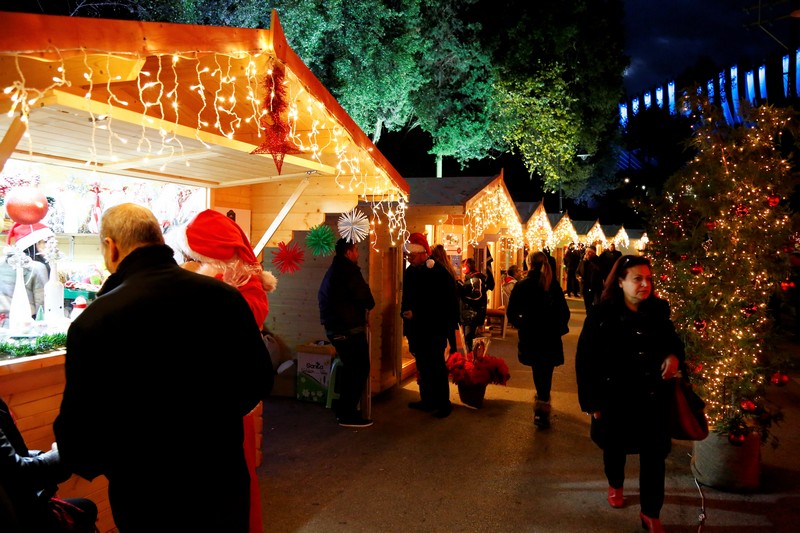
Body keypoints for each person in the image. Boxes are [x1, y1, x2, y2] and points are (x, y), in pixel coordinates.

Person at [53, 203, 272, 533]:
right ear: (160, 240)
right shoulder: (224, 297)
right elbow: (258, 380)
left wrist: (117, 458)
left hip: (146, 494)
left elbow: (79, 437)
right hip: (220, 478)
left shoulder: (95, 320)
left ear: (111, 247)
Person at [169, 208, 277, 533]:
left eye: (192, 256)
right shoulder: (229, 288)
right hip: (207, 410)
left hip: (223, 409)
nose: (186, 261)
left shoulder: (237, 294)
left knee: (227, 491)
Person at [575, 255, 684, 533]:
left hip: (652, 398)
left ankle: (651, 513)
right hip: (615, 399)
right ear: (621, 281)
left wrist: (673, 356)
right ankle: (616, 483)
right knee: (614, 449)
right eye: (637, 279)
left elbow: (673, 340)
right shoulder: (601, 315)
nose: (645, 284)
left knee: (654, 457)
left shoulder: (658, 310)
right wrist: (592, 402)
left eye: (648, 279)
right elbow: (585, 359)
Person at [1, 396, 98, 533]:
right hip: (16, 513)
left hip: (20, 501)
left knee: (86, 507)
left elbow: (13, 455)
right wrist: (62, 454)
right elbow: (16, 473)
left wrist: (47, 454)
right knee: (85, 510)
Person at [505, 251, 570, 429]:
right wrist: (557, 328)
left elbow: (511, 313)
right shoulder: (552, 285)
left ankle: (542, 405)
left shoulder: (522, 285)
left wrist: (523, 324)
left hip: (531, 336)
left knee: (537, 368)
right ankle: (543, 402)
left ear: (529, 264)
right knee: (545, 370)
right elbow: (564, 313)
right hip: (549, 337)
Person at [318, 238, 376, 428]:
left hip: (336, 327)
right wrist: (366, 307)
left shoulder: (333, 271)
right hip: (347, 329)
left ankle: (344, 409)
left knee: (352, 368)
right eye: (357, 250)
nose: (358, 254)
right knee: (358, 368)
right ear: (349, 252)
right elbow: (365, 297)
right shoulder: (348, 270)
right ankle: (347, 414)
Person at [401, 232, 458, 418]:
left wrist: (416, 313)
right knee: (423, 366)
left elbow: (442, 304)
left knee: (436, 366)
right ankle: (427, 400)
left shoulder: (438, 273)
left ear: (422, 253)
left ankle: (443, 403)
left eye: (412, 255)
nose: (409, 258)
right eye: (408, 255)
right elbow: (407, 298)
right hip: (417, 331)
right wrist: (405, 312)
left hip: (434, 330)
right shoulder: (411, 272)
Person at [459, 256, 495, 352]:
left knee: (469, 337)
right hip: (471, 313)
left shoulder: (474, 278)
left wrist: (462, 294)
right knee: (469, 338)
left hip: (472, 313)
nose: (462, 268)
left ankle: (472, 358)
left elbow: (476, 295)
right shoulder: (473, 277)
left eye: (463, 266)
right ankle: (472, 356)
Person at [430, 244, 460, 354]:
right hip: (449, 311)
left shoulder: (438, 270)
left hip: (442, 312)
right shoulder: (448, 270)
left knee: (439, 345)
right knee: (450, 340)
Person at [576, 246, 603, 314]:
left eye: (589, 252)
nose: (587, 253)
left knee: (596, 305)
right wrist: (578, 277)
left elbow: (600, 270)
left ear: (593, 253)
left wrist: (590, 261)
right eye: (586, 252)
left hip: (595, 287)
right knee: (588, 306)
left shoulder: (598, 260)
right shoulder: (583, 261)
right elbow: (577, 271)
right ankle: (589, 318)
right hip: (585, 286)